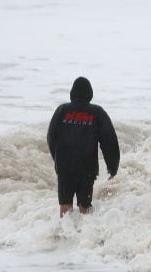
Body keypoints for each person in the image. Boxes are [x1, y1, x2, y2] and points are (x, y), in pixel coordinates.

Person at [47, 76, 119, 217]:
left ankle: (65, 235)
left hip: (65, 168)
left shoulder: (62, 110)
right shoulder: (98, 112)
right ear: (90, 95)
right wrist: (112, 167)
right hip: (87, 168)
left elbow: (51, 137)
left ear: (72, 94)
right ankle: (84, 235)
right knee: (84, 207)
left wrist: (57, 160)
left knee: (65, 205)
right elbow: (109, 141)